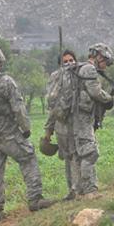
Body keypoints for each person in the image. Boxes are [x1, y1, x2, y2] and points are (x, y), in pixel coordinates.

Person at [0, 46, 55, 221]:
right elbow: (18, 108)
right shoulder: (6, 81)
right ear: (0, 61)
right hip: (7, 134)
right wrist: (26, 128)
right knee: (28, 158)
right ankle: (35, 199)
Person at [44, 44, 114, 198]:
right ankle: (90, 190)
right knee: (89, 153)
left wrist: (48, 130)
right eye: (105, 62)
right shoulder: (88, 69)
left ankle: (76, 191)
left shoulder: (68, 72)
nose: (105, 66)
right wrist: (109, 99)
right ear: (99, 56)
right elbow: (95, 92)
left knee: (73, 157)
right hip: (81, 122)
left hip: (64, 124)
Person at [42, 49, 80, 200]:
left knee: (78, 156)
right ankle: (72, 190)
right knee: (68, 157)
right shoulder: (56, 80)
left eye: (71, 60)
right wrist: (48, 130)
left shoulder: (80, 76)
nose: (70, 63)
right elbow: (52, 107)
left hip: (77, 124)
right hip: (62, 125)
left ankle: (80, 189)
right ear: (60, 64)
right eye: (65, 61)